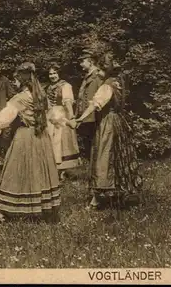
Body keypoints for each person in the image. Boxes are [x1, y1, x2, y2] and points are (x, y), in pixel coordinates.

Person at [0, 62, 60, 223]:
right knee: (39, 171)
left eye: (16, 79)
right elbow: (54, 117)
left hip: (25, 137)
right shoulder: (41, 95)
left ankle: (8, 210)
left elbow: (2, 120)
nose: (15, 83)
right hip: (42, 137)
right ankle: (41, 207)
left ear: (22, 79)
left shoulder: (19, 98)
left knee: (16, 171)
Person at [67, 57, 142, 209]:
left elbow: (95, 105)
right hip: (119, 121)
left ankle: (97, 199)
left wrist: (80, 119)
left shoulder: (106, 86)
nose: (98, 72)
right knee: (119, 155)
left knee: (102, 156)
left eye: (100, 70)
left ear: (106, 71)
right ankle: (123, 192)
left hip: (107, 122)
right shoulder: (118, 82)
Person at [45, 62, 80, 179]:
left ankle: (62, 172)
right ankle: (53, 170)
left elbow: (68, 103)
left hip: (61, 115)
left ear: (59, 74)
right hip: (50, 115)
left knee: (61, 142)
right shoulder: (48, 87)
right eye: (50, 74)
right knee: (51, 141)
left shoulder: (65, 86)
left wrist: (71, 118)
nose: (52, 76)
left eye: (54, 73)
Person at [75, 49, 104, 162]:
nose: (81, 64)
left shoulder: (98, 76)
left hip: (94, 115)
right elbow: (81, 97)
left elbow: (100, 96)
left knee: (95, 142)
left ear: (90, 62)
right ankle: (91, 166)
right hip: (86, 115)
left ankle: (97, 166)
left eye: (83, 61)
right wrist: (78, 113)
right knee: (88, 141)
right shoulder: (87, 76)